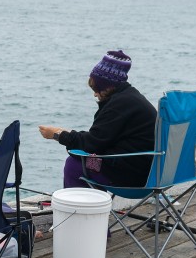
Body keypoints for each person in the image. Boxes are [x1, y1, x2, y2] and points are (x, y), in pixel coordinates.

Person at [38, 50, 157, 188]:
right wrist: (68, 134)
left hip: (132, 176)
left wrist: (57, 135)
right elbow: (100, 137)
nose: (95, 94)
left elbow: (91, 145)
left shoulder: (118, 105)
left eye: (96, 88)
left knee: (75, 164)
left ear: (107, 85)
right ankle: (95, 207)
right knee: (85, 157)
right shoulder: (132, 98)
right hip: (148, 171)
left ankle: (80, 209)